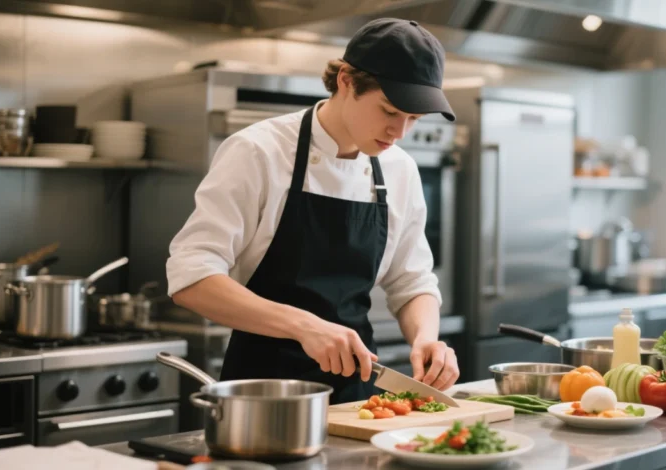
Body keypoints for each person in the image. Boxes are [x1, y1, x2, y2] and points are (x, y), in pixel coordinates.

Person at [166, 17, 460, 404]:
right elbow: (191, 277)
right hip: (264, 395)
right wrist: (304, 326)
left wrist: (426, 338)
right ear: (347, 81)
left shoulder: (399, 169)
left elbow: (412, 281)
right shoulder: (259, 151)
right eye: (389, 111)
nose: (400, 132)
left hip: (358, 399)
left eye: (414, 119)